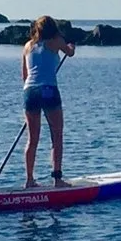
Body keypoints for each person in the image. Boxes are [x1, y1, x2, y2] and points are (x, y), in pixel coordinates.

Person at [20, 15, 76, 186]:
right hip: (48, 90)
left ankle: (29, 179)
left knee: (32, 138)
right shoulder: (56, 40)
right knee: (56, 135)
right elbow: (70, 53)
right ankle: (57, 179)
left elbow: (25, 76)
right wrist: (71, 46)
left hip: (29, 91)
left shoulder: (28, 46)